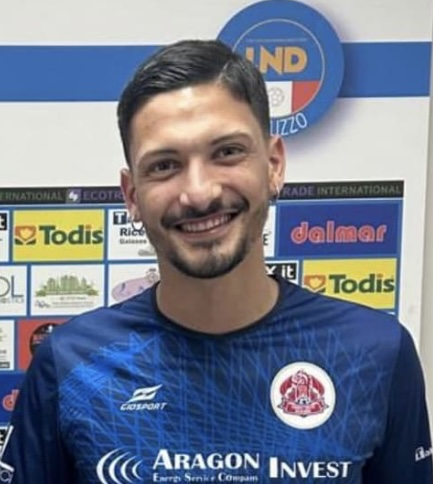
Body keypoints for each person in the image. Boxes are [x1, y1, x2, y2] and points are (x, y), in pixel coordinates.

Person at [1, 39, 432, 484]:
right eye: (164, 165)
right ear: (131, 195)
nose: (199, 192)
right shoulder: (69, 365)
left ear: (274, 165)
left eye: (226, 152)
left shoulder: (378, 353)